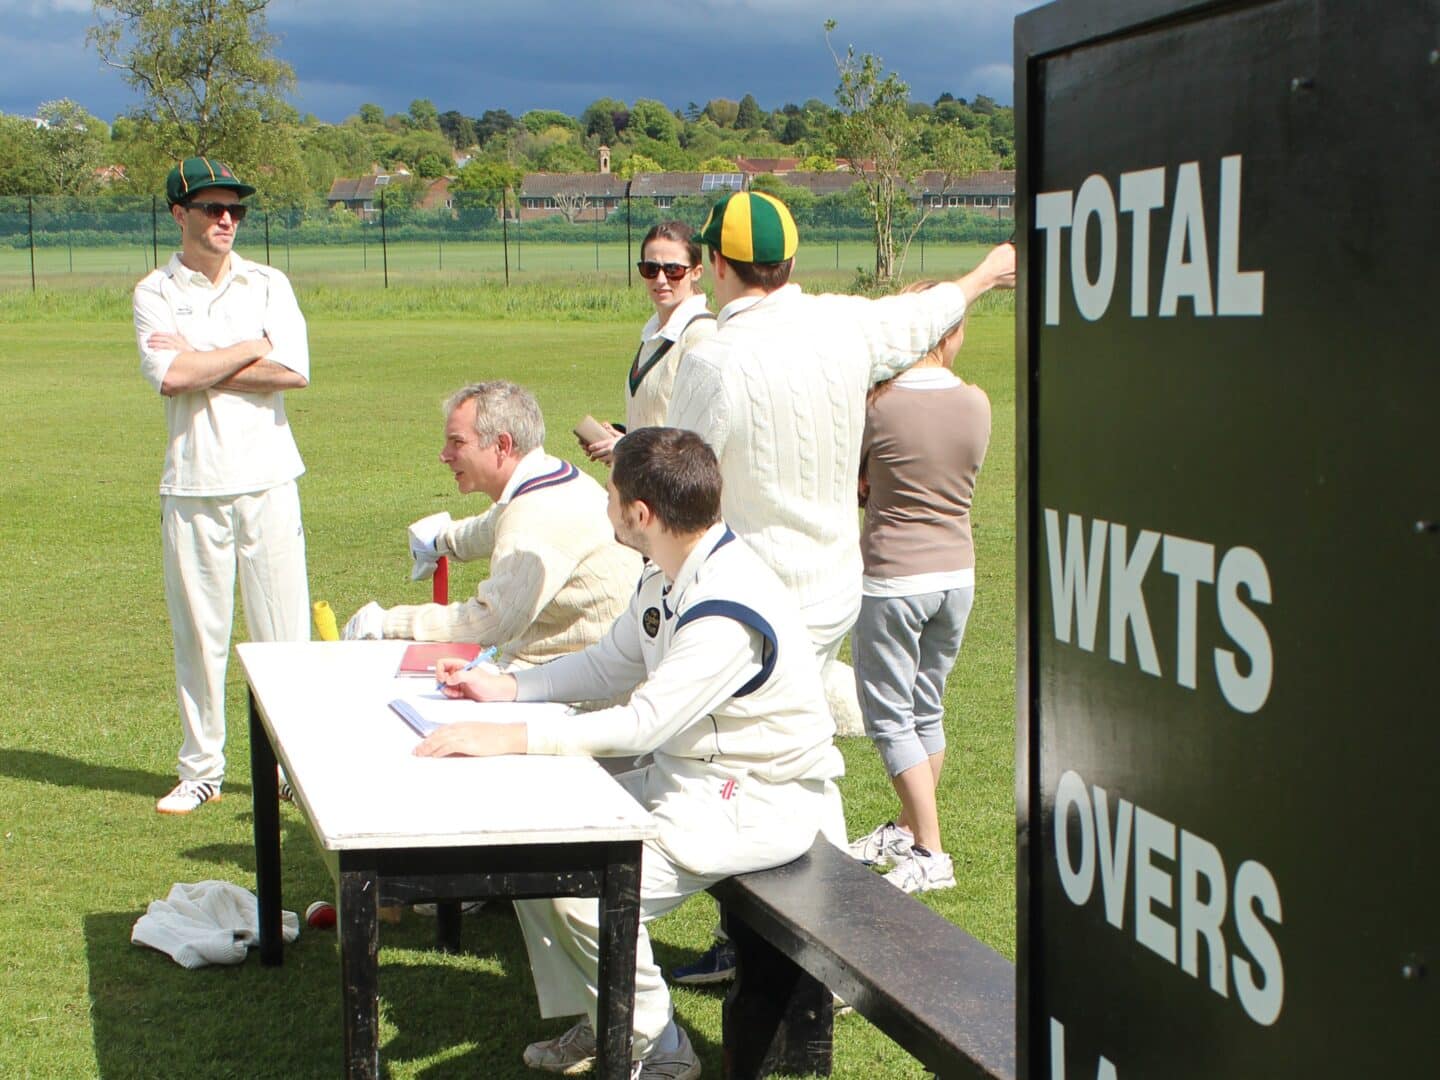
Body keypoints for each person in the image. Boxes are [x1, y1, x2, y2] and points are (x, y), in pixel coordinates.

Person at [415, 427, 845, 1080]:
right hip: (688, 778)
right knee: (530, 847)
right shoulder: (667, 572)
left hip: (756, 800)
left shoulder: (725, 607)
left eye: (610, 497)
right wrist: (507, 689)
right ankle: (603, 1019)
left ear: (639, 515)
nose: (604, 507)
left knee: (583, 891)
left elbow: (644, 721)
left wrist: (510, 738)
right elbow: (612, 662)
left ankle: (659, 1048)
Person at [665, 190, 1015, 970]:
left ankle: (772, 945)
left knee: (741, 763)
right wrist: (989, 272)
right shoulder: (841, 322)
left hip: (752, 603)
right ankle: (816, 941)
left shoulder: (715, 356)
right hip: (834, 590)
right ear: (788, 262)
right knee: (806, 751)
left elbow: (683, 478)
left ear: (715, 266)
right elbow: (923, 317)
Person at [134, 157, 312, 815]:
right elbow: (172, 376)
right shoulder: (154, 291)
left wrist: (202, 356)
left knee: (284, 634)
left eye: (234, 209)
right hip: (192, 484)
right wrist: (247, 348)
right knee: (200, 634)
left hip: (269, 479)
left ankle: (293, 766)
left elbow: (292, 371)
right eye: (212, 209)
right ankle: (201, 769)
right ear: (180, 215)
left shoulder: (268, 282)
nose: (226, 219)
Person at [847, 285, 991, 894]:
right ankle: (909, 829)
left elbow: (858, 481)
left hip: (892, 577)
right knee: (927, 707)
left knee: (889, 716)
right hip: (955, 575)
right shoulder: (977, 402)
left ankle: (930, 848)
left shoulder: (878, 406)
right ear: (951, 334)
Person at [342, 381, 641, 669]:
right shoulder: (549, 474)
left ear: (502, 444)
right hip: (582, 666)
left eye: (457, 442)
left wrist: (387, 623)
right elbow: (494, 524)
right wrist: (441, 539)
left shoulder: (536, 515)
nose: (444, 456)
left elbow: (491, 622)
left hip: (577, 686)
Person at [579, 221, 715, 464]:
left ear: (696, 272)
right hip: (644, 488)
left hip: (675, 496)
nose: (661, 279)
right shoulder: (655, 331)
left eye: (673, 270)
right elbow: (660, 420)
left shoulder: (701, 335)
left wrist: (625, 447)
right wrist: (621, 435)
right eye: (650, 269)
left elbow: (698, 441)